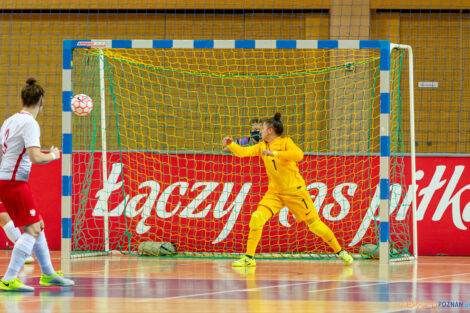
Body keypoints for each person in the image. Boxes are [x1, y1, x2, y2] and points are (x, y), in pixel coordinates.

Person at [222, 112, 353, 267]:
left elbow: (299, 155)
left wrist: (275, 153)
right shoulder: (262, 145)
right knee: (257, 217)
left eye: (262, 128)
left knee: (315, 225)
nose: (260, 132)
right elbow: (244, 152)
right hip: (275, 193)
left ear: (270, 130)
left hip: (295, 192)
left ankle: (340, 251)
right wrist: (231, 144)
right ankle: (249, 258)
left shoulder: (285, 142)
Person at [0, 78, 74, 292]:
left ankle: (49, 274)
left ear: (22, 99)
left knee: (37, 224)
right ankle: (9, 278)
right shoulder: (30, 123)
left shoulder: (9, 120)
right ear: (42, 102)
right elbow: (35, 157)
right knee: (31, 229)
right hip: (14, 182)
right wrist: (53, 154)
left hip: (8, 180)